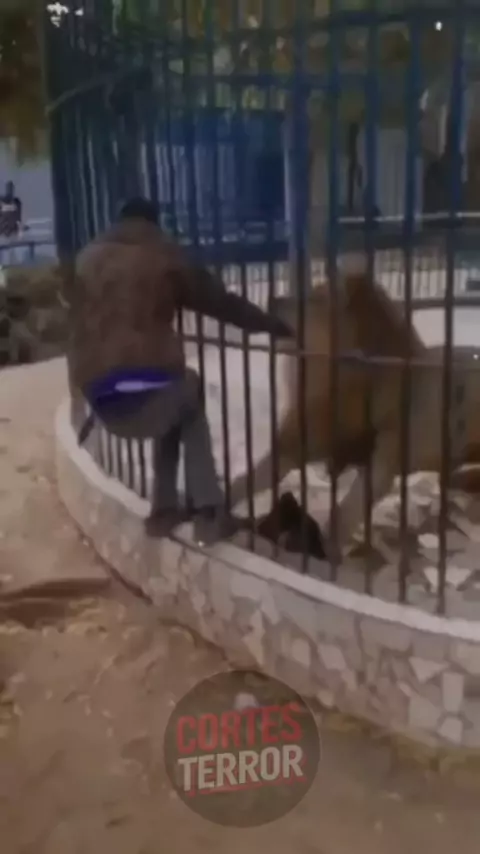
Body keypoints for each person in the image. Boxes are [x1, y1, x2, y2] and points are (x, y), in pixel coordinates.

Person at [69, 197, 293, 545]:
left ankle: (164, 509)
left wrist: (79, 401)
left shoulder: (86, 259)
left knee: (173, 393)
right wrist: (272, 325)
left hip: (99, 397)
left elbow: (75, 330)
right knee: (188, 387)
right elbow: (220, 302)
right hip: (141, 395)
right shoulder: (162, 254)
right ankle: (209, 512)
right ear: (154, 223)